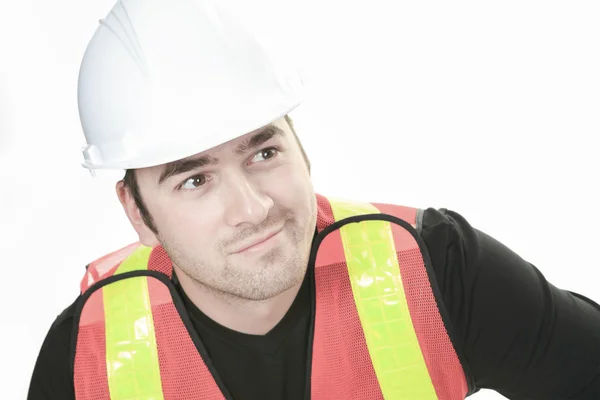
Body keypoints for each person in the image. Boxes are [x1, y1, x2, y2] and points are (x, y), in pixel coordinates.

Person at [28, 0, 600, 399]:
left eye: (263, 153)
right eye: (194, 180)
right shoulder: (88, 353)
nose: (253, 207)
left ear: (301, 150)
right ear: (136, 212)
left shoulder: (432, 269)